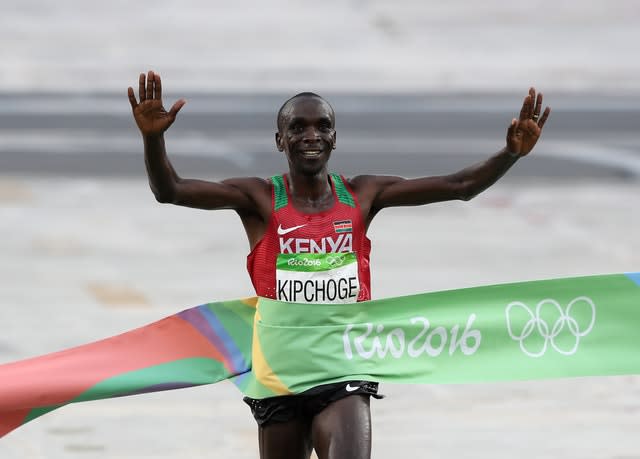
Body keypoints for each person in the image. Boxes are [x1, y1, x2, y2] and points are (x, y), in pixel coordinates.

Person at [127, 70, 550, 459]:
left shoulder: (362, 195)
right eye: (297, 127)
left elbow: (460, 186)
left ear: (334, 138)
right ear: (279, 140)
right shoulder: (258, 198)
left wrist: (510, 153)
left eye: (322, 126)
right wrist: (152, 138)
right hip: (280, 373)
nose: (311, 135)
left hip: (343, 364)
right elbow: (172, 190)